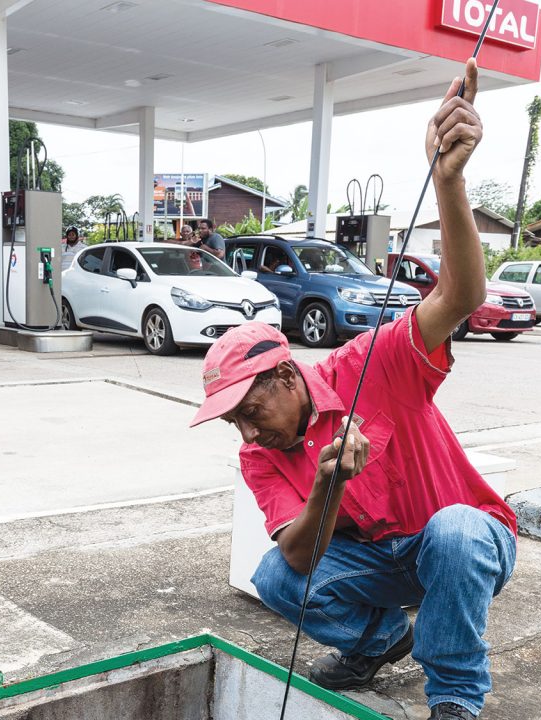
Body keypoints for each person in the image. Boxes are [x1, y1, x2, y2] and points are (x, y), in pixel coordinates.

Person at [189, 61, 512, 720]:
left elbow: (463, 297)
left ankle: (453, 699)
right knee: (275, 575)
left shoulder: (373, 363)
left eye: (251, 411)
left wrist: (448, 181)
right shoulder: (263, 454)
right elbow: (300, 555)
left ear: (285, 375)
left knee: (451, 533)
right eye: (236, 425)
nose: (250, 434)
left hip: (461, 540)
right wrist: (327, 486)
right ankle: (383, 639)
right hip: (381, 560)